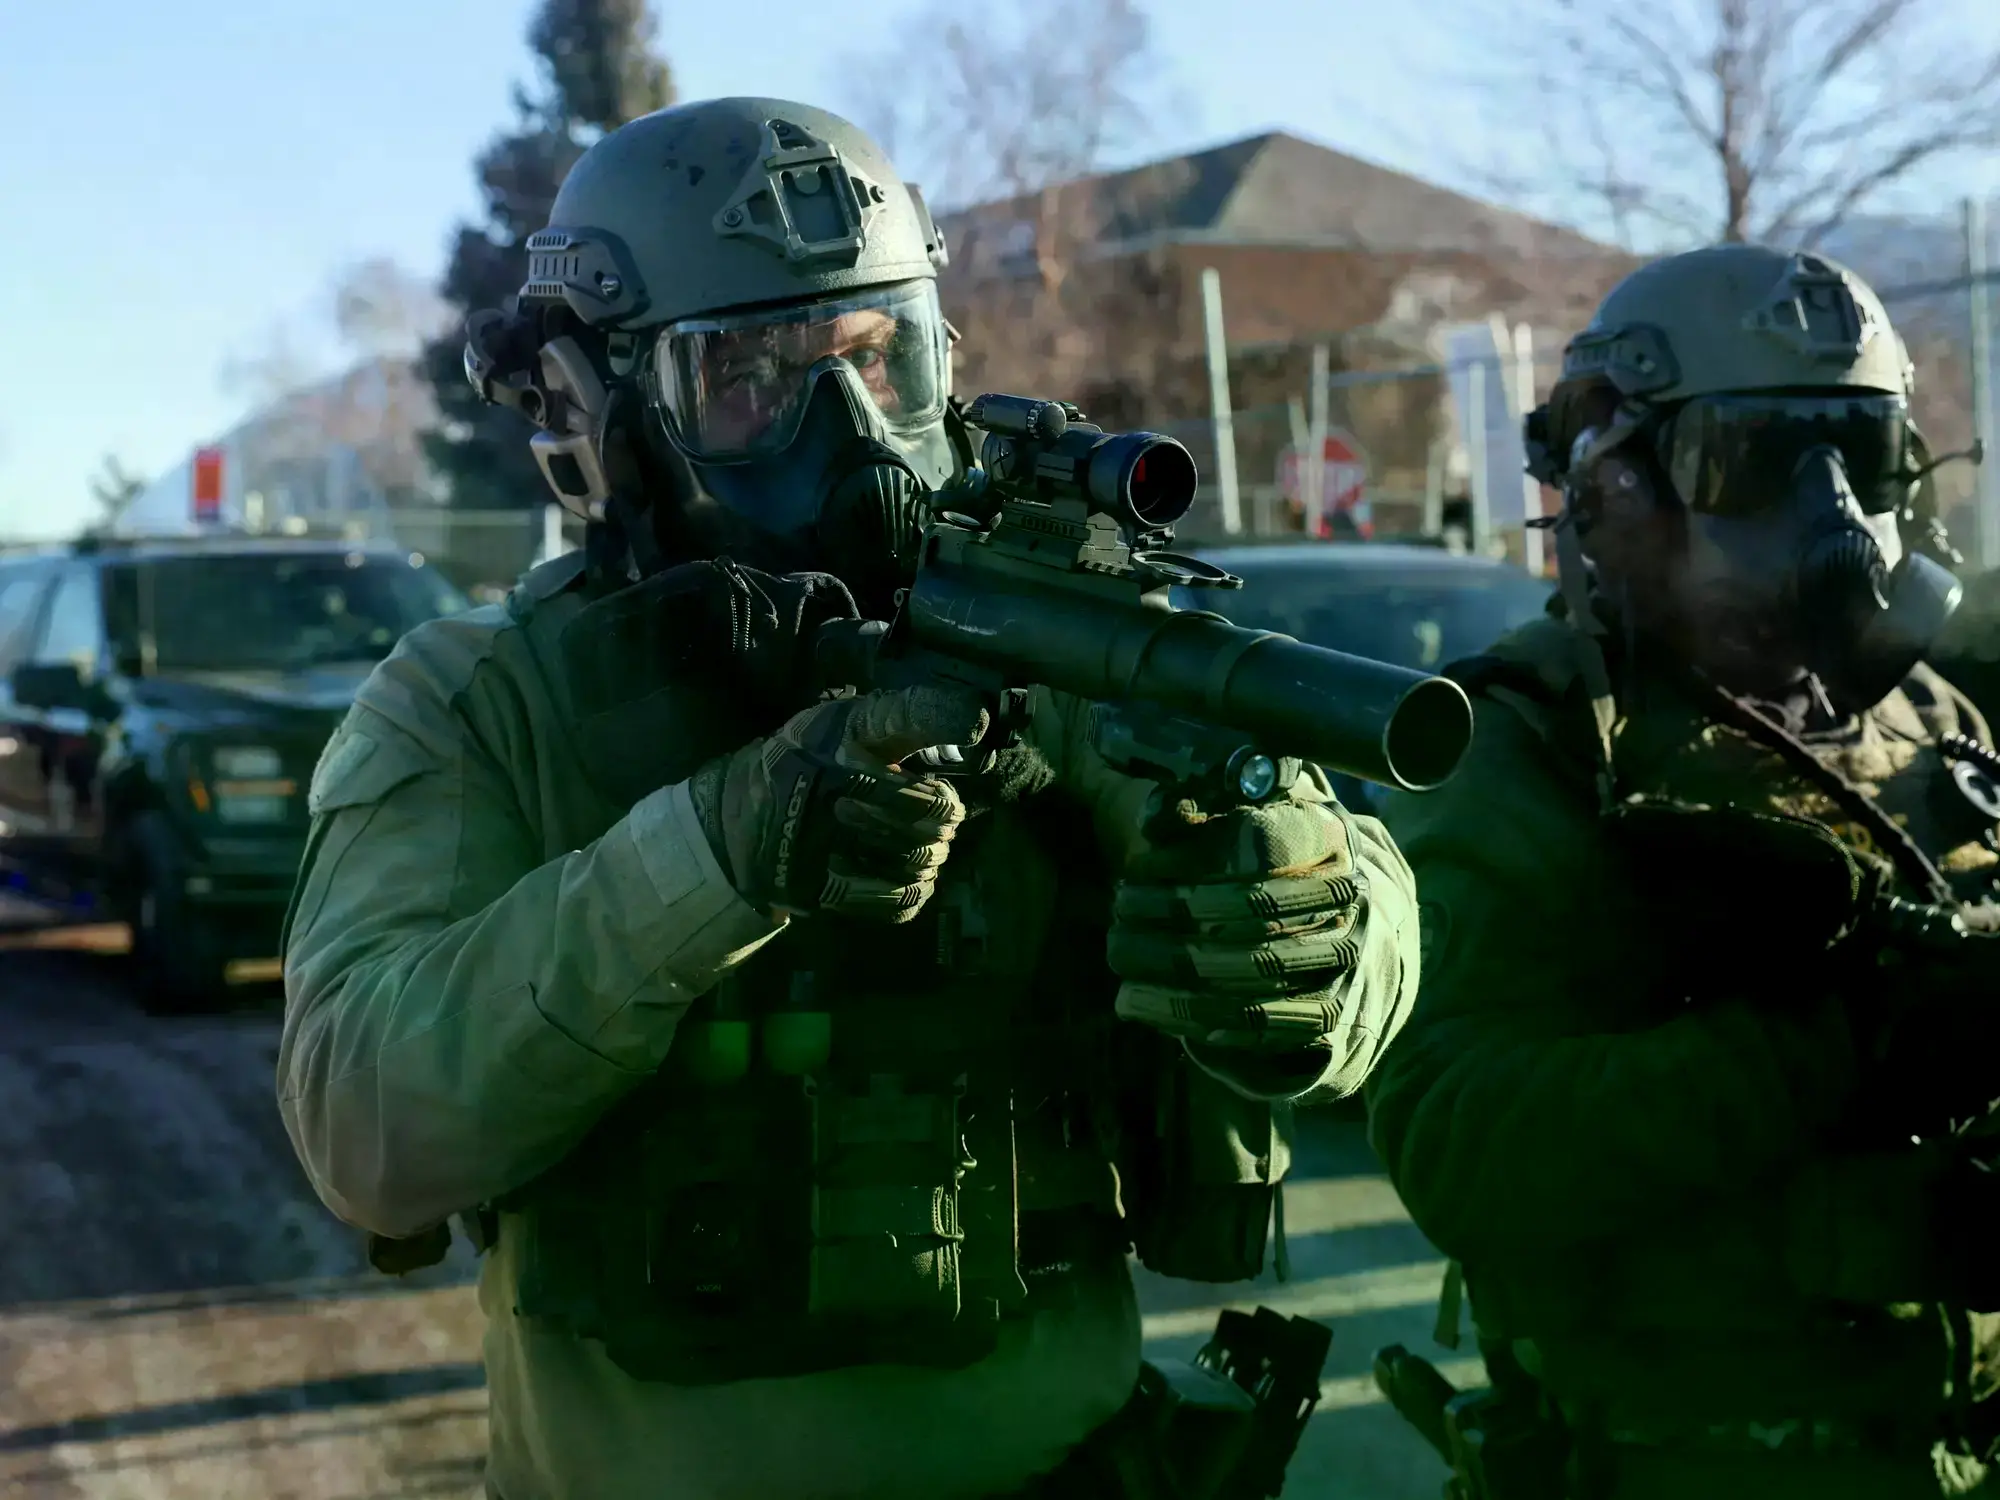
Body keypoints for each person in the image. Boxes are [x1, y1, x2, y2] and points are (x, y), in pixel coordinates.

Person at [275, 96, 1420, 1500]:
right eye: (750, 378)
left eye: (884, 358)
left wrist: (1300, 912)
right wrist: (714, 856)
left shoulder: (1052, 637)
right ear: (605, 411)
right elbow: (366, 1131)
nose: (856, 435)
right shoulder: (484, 700)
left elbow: (1361, 953)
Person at [1368, 243, 2000, 1499]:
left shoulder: (1932, 722)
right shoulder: (1527, 747)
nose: (1829, 513)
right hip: (1681, 1459)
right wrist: (1843, 1036)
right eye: (1755, 461)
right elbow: (1457, 1142)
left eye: (1860, 456)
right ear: (1615, 486)